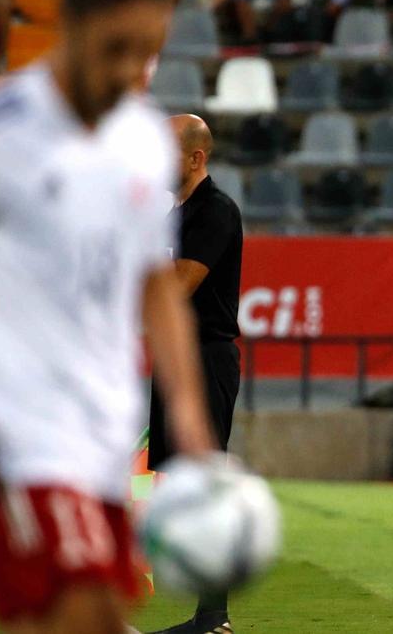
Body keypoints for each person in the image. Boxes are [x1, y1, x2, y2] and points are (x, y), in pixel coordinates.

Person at [0, 0, 218, 632]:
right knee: (87, 616)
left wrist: (190, 410)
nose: (131, 71)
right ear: (71, 25)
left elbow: (153, 287)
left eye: (148, 53)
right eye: (117, 48)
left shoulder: (141, 138)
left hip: (105, 443)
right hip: (23, 442)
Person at [148, 114, 244, 634]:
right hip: (177, 356)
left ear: (195, 158)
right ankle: (206, 610)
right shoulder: (173, 214)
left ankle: (214, 617)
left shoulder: (215, 212)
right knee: (178, 483)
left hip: (205, 357)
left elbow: (179, 284)